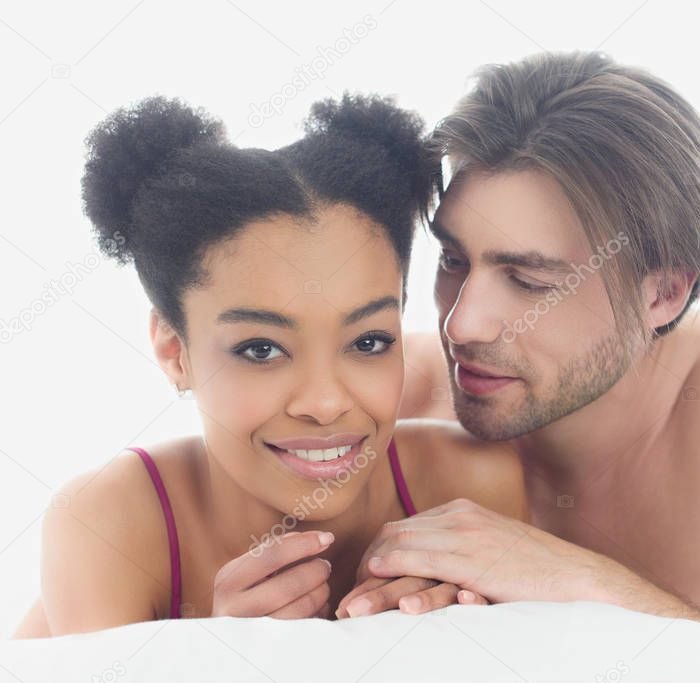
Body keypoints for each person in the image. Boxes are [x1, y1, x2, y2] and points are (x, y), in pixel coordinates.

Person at [351, 51, 700, 642]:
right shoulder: (389, 389)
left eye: (529, 282)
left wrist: (590, 585)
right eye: (453, 260)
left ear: (665, 294)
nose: (461, 325)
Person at [14, 93, 525, 637]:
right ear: (173, 351)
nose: (326, 402)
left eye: (369, 342)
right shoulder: (106, 527)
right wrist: (211, 653)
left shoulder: (474, 485)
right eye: (261, 349)